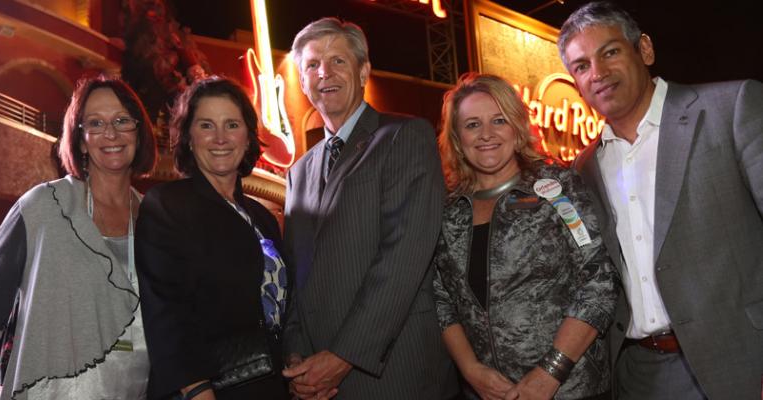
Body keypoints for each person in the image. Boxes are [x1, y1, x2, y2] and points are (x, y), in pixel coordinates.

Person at [558, 2, 763, 399]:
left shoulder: (731, 108)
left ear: (645, 50)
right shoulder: (584, 168)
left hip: (741, 361)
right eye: (581, 66)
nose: (597, 73)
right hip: (638, 375)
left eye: (610, 52)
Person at [282, 17, 457, 399]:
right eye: (312, 65)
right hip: (318, 379)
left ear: (363, 72)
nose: (324, 73)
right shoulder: (298, 172)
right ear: (302, 81)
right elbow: (297, 277)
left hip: (393, 372)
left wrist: (344, 356)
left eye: (338, 61)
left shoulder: (405, 137)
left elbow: (404, 258)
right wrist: (297, 360)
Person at [433, 72, 618, 400]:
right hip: (486, 393)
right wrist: (471, 371)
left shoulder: (556, 188)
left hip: (569, 390)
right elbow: (443, 299)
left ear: (517, 128)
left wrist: (550, 372)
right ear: (457, 137)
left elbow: (598, 282)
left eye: (499, 120)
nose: (486, 134)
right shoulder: (448, 210)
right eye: (472, 124)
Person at [0, 76, 157, 399]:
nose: (110, 133)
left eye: (122, 120)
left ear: (139, 132)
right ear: (81, 140)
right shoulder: (42, 207)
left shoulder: (156, 220)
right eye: (95, 123)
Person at [135, 76, 289, 400]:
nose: (220, 137)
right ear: (189, 137)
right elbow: (164, 310)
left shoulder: (263, 217)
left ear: (248, 137)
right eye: (206, 125)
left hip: (270, 386)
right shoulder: (167, 205)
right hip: (207, 391)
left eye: (231, 124)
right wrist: (197, 389)